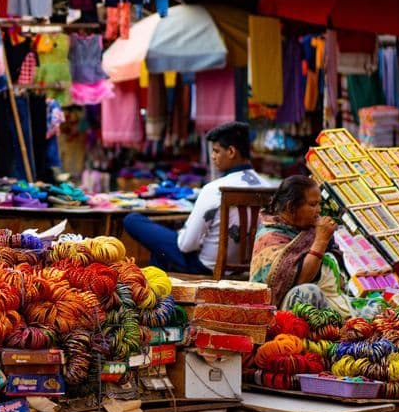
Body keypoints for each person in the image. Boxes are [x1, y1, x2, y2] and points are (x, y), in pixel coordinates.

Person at [123, 122, 269, 274]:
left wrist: (183, 235)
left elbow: (186, 245)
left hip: (206, 267)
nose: (212, 156)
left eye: (216, 151)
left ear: (231, 151)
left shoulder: (215, 189)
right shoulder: (269, 187)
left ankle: (156, 291)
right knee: (161, 248)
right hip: (248, 267)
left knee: (132, 220)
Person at [250, 175, 350, 314]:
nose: (319, 210)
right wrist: (321, 241)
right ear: (291, 207)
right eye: (312, 205)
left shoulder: (309, 230)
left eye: (319, 204)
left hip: (326, 303)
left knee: (376, 306)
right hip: (285, 311)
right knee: (306, 293)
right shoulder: (271, 236)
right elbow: (301, 280)